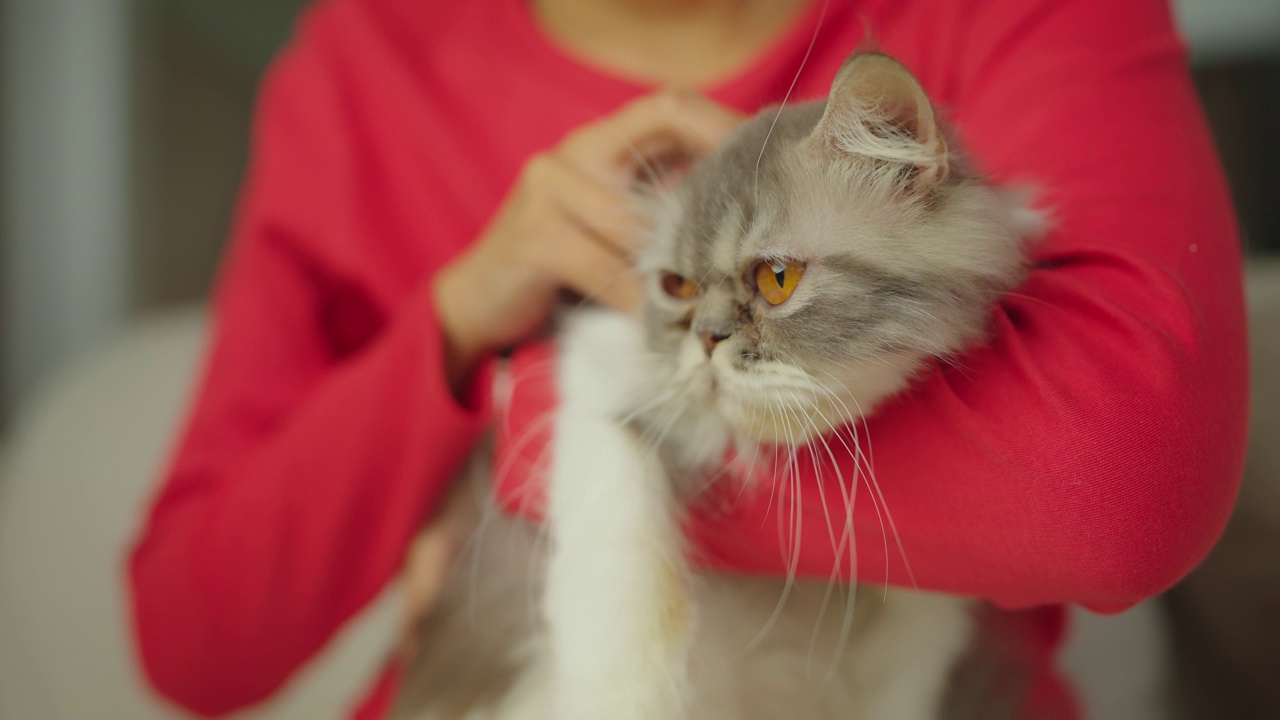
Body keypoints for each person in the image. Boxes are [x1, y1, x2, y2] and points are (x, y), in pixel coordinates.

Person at [127, 0, 1248, 718]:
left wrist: (532, 432)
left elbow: (1119, 492)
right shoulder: (363, 56)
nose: (712, 328)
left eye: (763, 282)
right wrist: (463, 314)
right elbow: (190, 637)